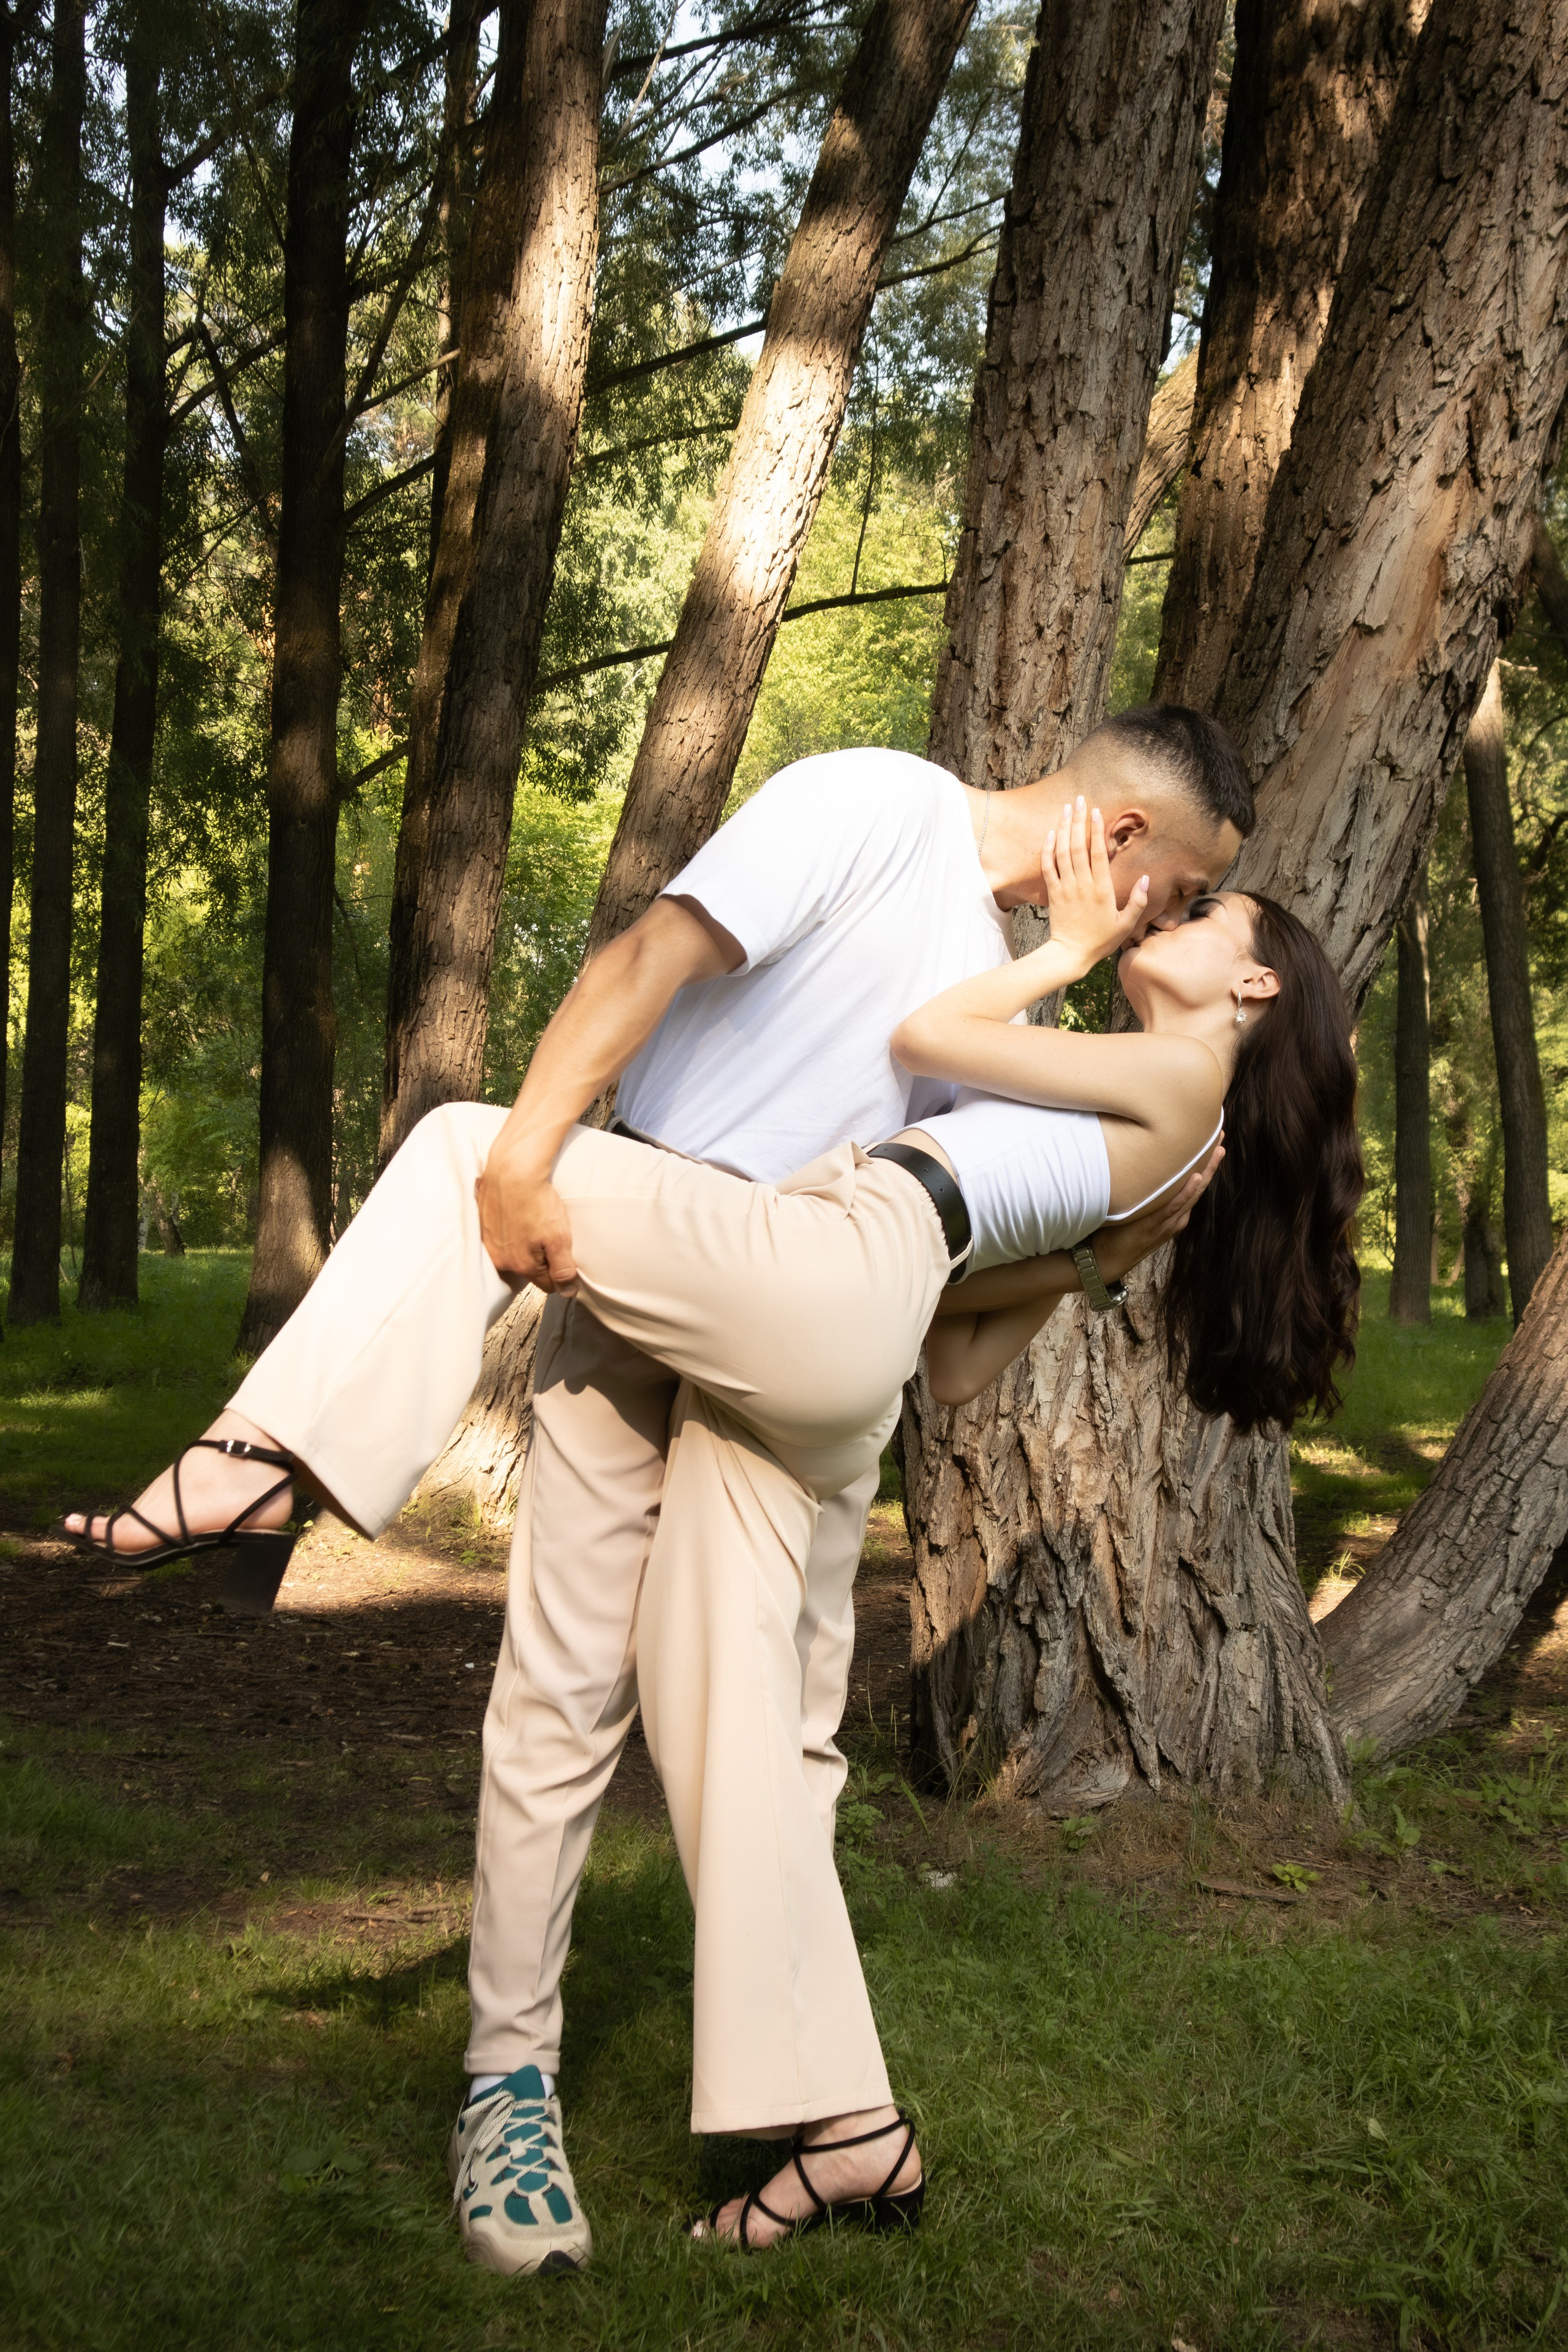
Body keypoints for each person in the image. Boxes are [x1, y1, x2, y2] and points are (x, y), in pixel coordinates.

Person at [66, 797, 1362, 2261]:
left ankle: (262, 1459)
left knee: (462, 1151)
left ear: (1252, 983)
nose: (1153, 919)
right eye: (1171, 892)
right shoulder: (1130, 1099)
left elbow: (930, 1035)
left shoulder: (1169, 1068)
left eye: (1191, 910)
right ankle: (846, 2129)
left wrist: (1056, 948)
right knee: (729, 1731)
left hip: (823, 1263)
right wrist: (1091, 1261)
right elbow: (943, 1362)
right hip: (843, 1328)